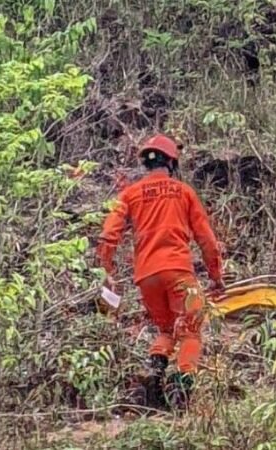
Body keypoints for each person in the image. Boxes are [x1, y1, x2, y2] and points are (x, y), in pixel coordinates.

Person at [96, 133, 224, 410]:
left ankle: (156, 373)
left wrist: (107, 272)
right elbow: (207, 241)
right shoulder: (184, 192)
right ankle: (181, 390)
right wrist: (215, 277)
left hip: (146, 277)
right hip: (179, 271)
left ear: (146, 164)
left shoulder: (129, 194)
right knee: (191, 330)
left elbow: (108, 237)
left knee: (166, 328)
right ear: (172, 163)